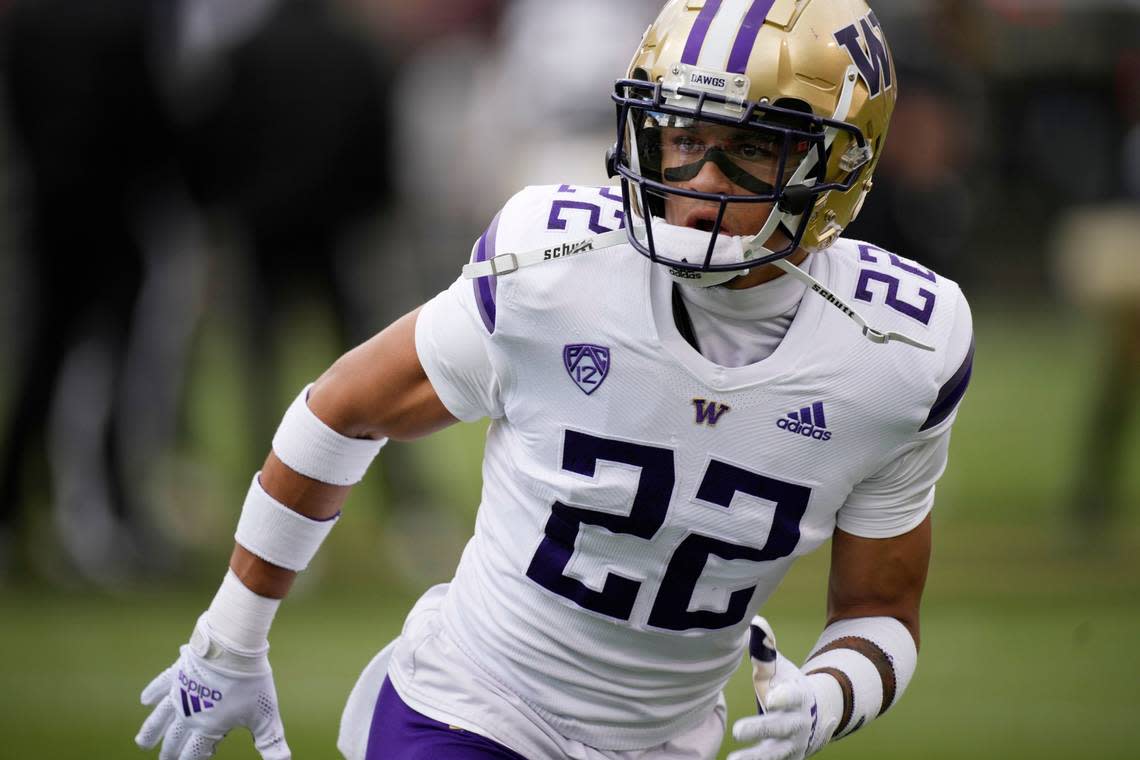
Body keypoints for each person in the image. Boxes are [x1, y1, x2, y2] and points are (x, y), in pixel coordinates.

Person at [134, 1, 974, 758]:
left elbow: (880, 614)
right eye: (682, 137)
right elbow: (340, 413)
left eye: (751, 149)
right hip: (470, 708)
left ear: (840, 165)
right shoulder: (556, 266)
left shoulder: (899, 349)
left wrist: (828, 700)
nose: (701, 184)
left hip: (664, 743)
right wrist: (229, 642)